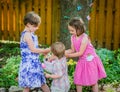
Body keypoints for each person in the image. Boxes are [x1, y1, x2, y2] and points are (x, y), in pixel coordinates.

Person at [65, 17, 107, 92]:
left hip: (90, 60)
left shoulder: (85, 38)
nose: (70, 32)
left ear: (79, 29)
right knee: (78, 80)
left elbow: (80, 53)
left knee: (93, 81)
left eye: (72, 30)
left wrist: (68, 56)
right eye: (69, 30)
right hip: (82, 60)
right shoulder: (72, 37)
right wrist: (63, 52)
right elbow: (73, 50)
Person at [18, 11, 50, 92]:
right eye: (35, 26)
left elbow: (34, 48)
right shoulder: (27, 35)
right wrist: (44, 50)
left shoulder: (30, 34)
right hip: (29, 64)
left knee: (42, 83)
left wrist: (42, 52)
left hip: (34, 63)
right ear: (28, 24)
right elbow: (32, 49)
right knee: (27, 86)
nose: (37, 28)